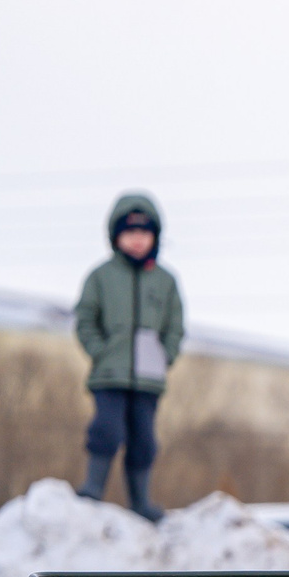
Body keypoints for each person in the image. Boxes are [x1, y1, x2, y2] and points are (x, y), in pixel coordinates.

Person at [73, 193, 185, 521]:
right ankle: (93, 488)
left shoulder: (166, 281)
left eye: (144, 233)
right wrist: (100, 351)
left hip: (148, 378)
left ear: (155, 237)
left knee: (144, 440)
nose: (137, 240)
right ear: (116, 236)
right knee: (106, 429)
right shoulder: (101, 276)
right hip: (110, 374)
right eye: (130, 232)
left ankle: (140, 501)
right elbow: (85, 319)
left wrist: (164, 356)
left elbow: (175, 326)